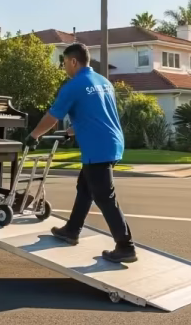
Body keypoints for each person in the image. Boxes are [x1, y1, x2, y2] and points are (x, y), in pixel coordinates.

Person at [25, 43, 136, 263]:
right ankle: (72, 230)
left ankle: (125, 246)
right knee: (85, 187)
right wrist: (73, 131)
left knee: (105, 196)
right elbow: (99, 114)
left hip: (98, 148)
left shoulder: (74, 86)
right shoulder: (104, 82)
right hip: (113, 143)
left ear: (73, 62)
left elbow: (52, 116)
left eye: (64, 62)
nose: (64, 67)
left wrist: (34, 135)